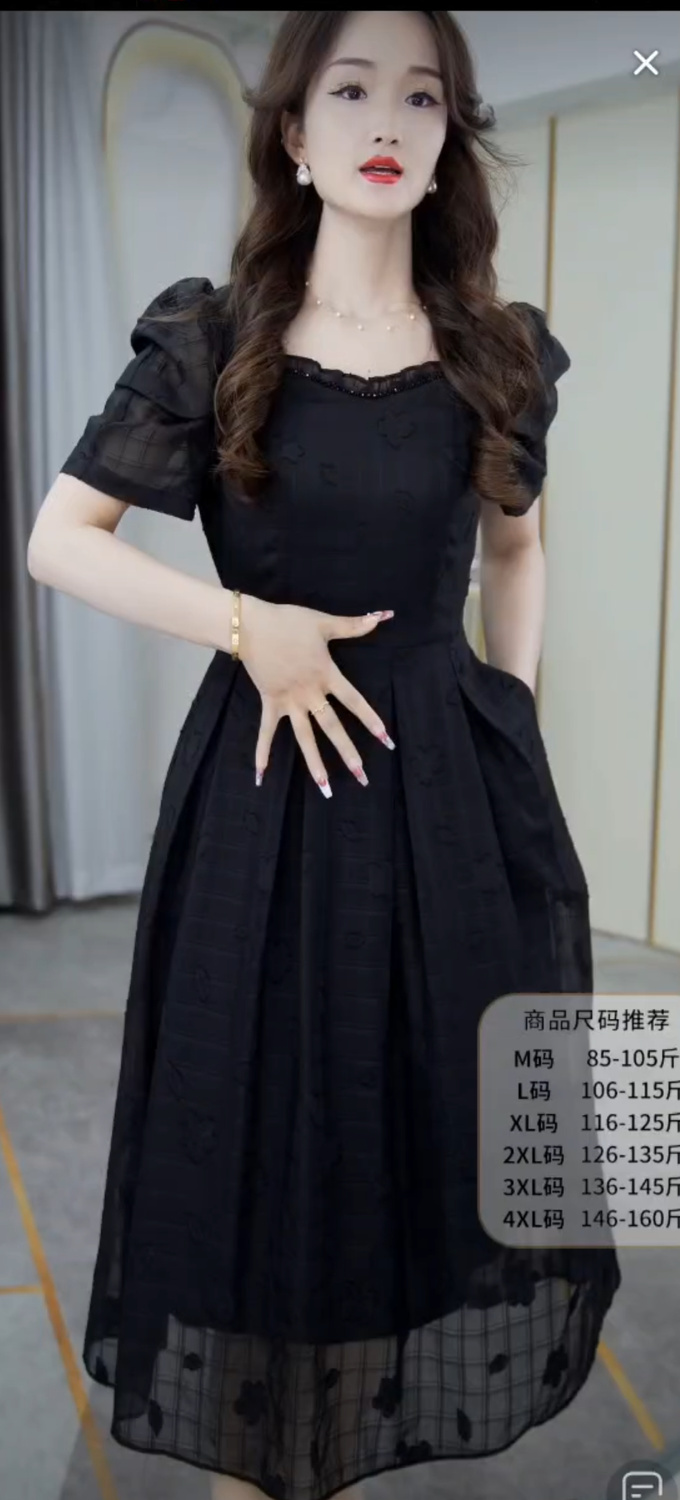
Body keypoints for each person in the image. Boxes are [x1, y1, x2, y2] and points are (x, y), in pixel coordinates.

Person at [27, 10, 621, 1500]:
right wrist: (252, 629)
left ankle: (352, 1429)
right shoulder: (215, 339)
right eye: (352, 89)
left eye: (422, 96)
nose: (387, 122)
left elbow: (517, 547)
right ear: (294, 134)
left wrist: (507, 713)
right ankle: (251, 1458)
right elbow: (59, 541)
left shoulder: (494, 352)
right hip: (262, 800)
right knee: (252, 1133)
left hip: (445, 794)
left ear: (449, 135)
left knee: (421, 1126)